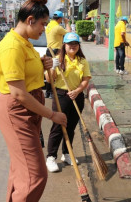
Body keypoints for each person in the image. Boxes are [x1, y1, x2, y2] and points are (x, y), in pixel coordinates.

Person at [0, 0, 67, 202]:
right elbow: (18, 93)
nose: (44, 29)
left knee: (21, 170)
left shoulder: (24, 42)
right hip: (18, 110)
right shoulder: (12, 46)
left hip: (29, 109)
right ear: (30, 20)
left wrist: (44, 66)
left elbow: (31, 76)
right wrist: (52, 115)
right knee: (35, 175)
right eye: (43, 24)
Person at [45, 32, 92, 172]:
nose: (73, 46)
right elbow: (49, 80)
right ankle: (51, 157)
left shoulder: (82, 61)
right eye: (70, 44)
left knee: (71, 127)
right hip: (61, 96)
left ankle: (67, 154)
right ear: (64, 45)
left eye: (75, 44)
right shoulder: (58, 60)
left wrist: (77, 91)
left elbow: (86, 79)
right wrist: (52, 67)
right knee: (58, 126)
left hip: (76, 96)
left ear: (78, 45)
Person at [45, 10, 71, 98]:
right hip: (56, 51)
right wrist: (67, 23)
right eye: (61, 19)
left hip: (49, 50)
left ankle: (48, 92)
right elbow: (69, 34)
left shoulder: (48, 25)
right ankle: (53, 93)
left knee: (49, 71)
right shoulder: (57, 28)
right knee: (55, 72)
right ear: (60, 19)